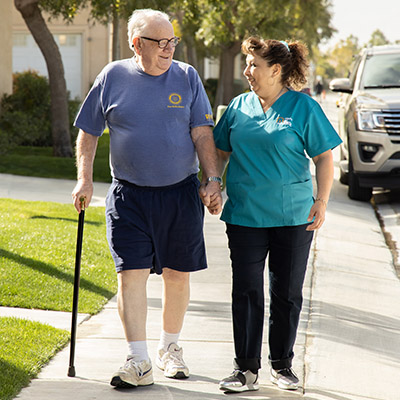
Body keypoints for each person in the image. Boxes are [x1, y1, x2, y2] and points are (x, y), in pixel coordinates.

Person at [72, 8, 222, 389]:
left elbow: (202, 133)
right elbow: (89, 131)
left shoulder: (187, 77)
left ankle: (169, 348)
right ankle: (137, 360)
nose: (169, 48)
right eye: (160, 41)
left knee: (177, 274)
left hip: (180, 193)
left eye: (173, 40)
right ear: (136, 44)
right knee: (130, 275)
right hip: (129, 197)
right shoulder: (112, 76)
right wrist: (84, 180)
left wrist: (213, 179)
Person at [211, 37, 342, 392]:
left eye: (254, 64)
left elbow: (324, 157)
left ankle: (282, 366)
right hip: (244, 216)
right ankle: (245, 369)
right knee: (247, 291)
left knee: (286, 293)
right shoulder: (237, 107)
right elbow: (220, 152)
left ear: (277, 70)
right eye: (247, 64)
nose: (247, 71)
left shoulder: (303, 107)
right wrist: (212, 182)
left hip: (293, 218)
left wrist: (322, 200)